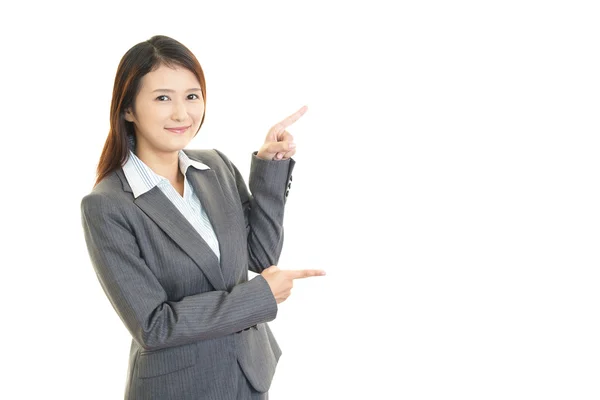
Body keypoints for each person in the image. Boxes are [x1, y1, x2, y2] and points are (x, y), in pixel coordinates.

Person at [80, 35, 325, 400]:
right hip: (179, 388)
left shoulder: (215, 165)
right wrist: (260, 297)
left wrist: (271, 167)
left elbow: (261, 256)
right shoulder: (108, 205)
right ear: (128, 108)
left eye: (192, 96)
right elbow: (154, 326)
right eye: (163, 97)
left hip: (247, 375)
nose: (182, 114)